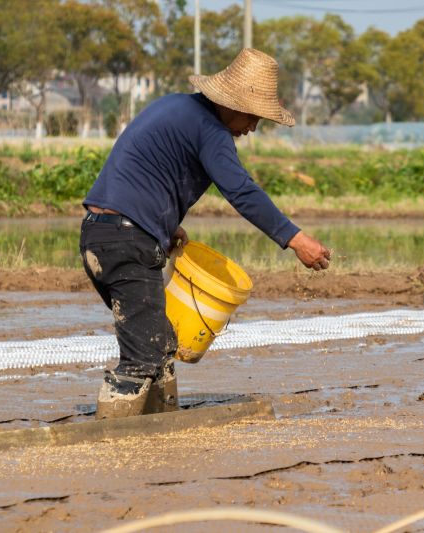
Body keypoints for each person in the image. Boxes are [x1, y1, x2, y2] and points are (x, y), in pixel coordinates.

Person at [79, 48, 331, 420]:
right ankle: (109, 444)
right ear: (232, 104)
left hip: (103, 236)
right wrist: (296, 239)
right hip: (126, 242)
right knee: (142, 357)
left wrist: (163, 222)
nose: (252, 128)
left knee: (161, 344)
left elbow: (142, 171)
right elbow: (242, 192)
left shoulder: (176, 108)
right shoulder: (211, 130)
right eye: (253, 117)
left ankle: (163, 433)